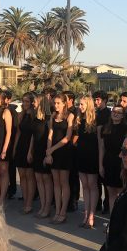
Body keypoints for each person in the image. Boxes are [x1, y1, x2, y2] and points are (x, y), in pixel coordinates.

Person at [45, 94, 74, 224]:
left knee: (64, 182)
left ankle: (63, 212)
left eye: (58, 103)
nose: (55, 105)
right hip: (54, 153)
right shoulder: (53, 116)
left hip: (64, 152)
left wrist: (52, 149)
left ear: (64, 103)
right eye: (54, 103)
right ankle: (57, 210)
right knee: (55, 182)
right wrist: (48, 153)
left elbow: (68, 137)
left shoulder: (70, 116)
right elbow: (50, 135)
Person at [75, 96, 100, 229]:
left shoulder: (96, 120)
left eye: (82, 104)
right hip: (81, 155)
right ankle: (86, 214)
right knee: (84, 186)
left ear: (89, 105)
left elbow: (100, 142)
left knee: (92, 185)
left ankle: (91, 215)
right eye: (79, 104)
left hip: (92, 156)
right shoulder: (79, 119)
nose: (80, 106)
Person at [98, 105, 127, 214]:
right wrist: (100, 165)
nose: (115, 114)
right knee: (110, 192)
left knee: (120, 193)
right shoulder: (105, 128)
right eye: (114, 112)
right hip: (108, 162)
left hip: (120, 163)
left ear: (122, 116)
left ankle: (119, 221)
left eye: (118, 113)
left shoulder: (126, 129)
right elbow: (102, 148)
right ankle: (111, 219)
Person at [30, 94, 53, 218]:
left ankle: (47, 207)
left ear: (40, 103)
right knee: (38, 179)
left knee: (46, 180)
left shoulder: (49, 119)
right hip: (36, 151)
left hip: (45, 151)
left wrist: (48, 153)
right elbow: (33, 136)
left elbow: (51, 137)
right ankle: (43, 205)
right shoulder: (35, 119)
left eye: (35, 102)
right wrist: (30, 151)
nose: (33, 104)